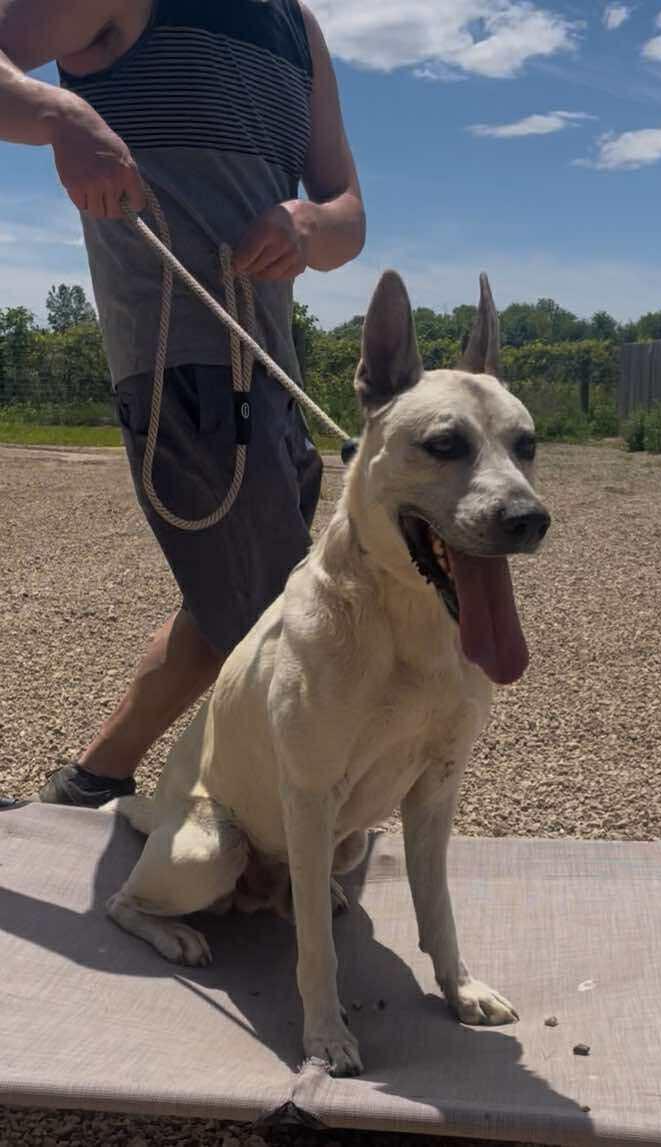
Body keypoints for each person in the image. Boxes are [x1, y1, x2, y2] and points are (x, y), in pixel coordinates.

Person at [0, 0, 365, 807]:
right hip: (184, 368)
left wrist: (309, 224)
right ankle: (288, 837)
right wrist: (61, 114)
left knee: (231, 594)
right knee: (274, 617)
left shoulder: (298, 27)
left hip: (271, 368)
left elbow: (350, 216)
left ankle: (92, 780)